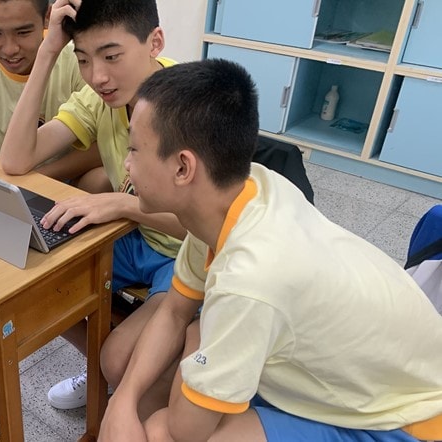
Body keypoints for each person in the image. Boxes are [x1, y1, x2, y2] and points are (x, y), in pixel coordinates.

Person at [98, 58, 442, 442]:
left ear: (183, 169)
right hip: (368, 371)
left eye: (133, 150)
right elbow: (175, 311)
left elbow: (186, 429)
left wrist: (198, 342)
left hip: (407, 418)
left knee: (166, 430)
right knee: (152, 390)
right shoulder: (242, 192)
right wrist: (122, 401)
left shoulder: (249, 279)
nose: (126, 166)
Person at [0, 0, 186, 410]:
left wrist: (122, 205)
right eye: (82, 59)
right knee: (40, 293)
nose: (98, 76)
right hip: (135, 237)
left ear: (155, 42)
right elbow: (14, 160)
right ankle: (109, 373)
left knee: (120, 359)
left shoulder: (189, 106)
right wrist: (48, 49)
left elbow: (205, 226)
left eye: (112, 56)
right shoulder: (99, 97)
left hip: (188, 254)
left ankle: (146, 379)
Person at [0, 0, 108, 383]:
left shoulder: (77, 59)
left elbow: (101, 146)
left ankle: (91, 344)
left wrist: (28, 172)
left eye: (24, 32)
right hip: (13, 181)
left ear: (47, 20)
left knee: (98, 182)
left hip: (62, 181)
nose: (9, 49)